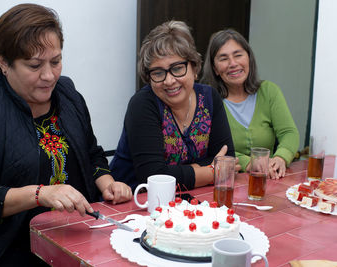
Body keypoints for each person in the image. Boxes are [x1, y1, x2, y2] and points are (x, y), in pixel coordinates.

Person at [0, 4, 132, 266]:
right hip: (12, 249)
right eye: (34, 65)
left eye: (56, 61)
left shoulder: (68, 95)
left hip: (78, 236)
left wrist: (108, 184)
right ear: (4, 62)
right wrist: (39, 194)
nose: (49, 75)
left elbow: (92, 154)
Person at [110, 20, 237, 192]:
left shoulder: (209, 98)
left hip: (190, 200)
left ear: (194, 67)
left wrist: (178, 173)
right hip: (134, 204)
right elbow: (152, 176)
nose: (169, 81)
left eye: (177, 68)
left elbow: (227, 160)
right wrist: (210, 173)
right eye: (158, 73)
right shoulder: (142, 104)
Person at [201, 29, 299, 179]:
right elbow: (212, 148)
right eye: (223, 58)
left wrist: (280, 158)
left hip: (269, 180)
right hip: (227, 184)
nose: (233, 63)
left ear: (249, 58)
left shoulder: (269, 91)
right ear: (215, 68)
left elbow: (289, 133)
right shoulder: (207, 101)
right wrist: (249, 163)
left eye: (238, 55)